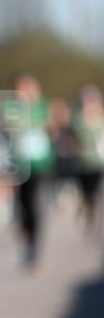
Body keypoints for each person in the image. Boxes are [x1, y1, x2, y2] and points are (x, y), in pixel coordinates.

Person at [3, 72, 53, 268]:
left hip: (40, 163)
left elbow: (50, 124)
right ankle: (27, 241)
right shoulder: (10, 106)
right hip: (18, 163)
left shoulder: (42, 105)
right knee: (22, 204)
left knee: (35, 203)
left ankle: (36, 245)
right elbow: (7, 126)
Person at [73, 84, 104, 230]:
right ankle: (87, 209)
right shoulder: (78, 118)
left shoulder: (101, 118)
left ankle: (94, 212)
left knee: (96, 190)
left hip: (99, 162)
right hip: (82, 161)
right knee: (85, 191)